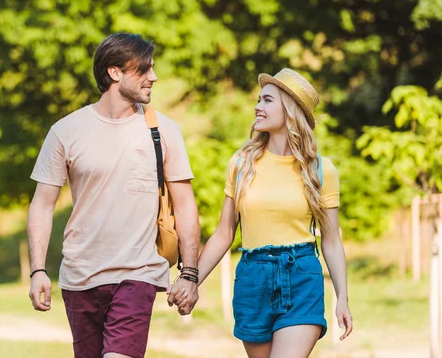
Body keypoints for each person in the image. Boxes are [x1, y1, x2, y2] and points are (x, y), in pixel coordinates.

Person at [27, 32, 200, 358]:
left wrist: (189, 273)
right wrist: (38, 270)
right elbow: (42, 205)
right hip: (80, 278)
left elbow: (185, 205)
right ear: (114, 72)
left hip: (138, 274)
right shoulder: (66, 131)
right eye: (144, 69)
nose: (154, 77)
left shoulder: (164, 131)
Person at [171, 68, 353, 358]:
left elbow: (331, 241)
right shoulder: (242, 164)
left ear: (290, 110)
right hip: (253, 280)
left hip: (301, 277)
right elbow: (224, 233)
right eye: (258, 100)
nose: (257, 107)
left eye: (267, 100)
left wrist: (342, 297)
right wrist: (192, 280)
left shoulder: (320, 170)